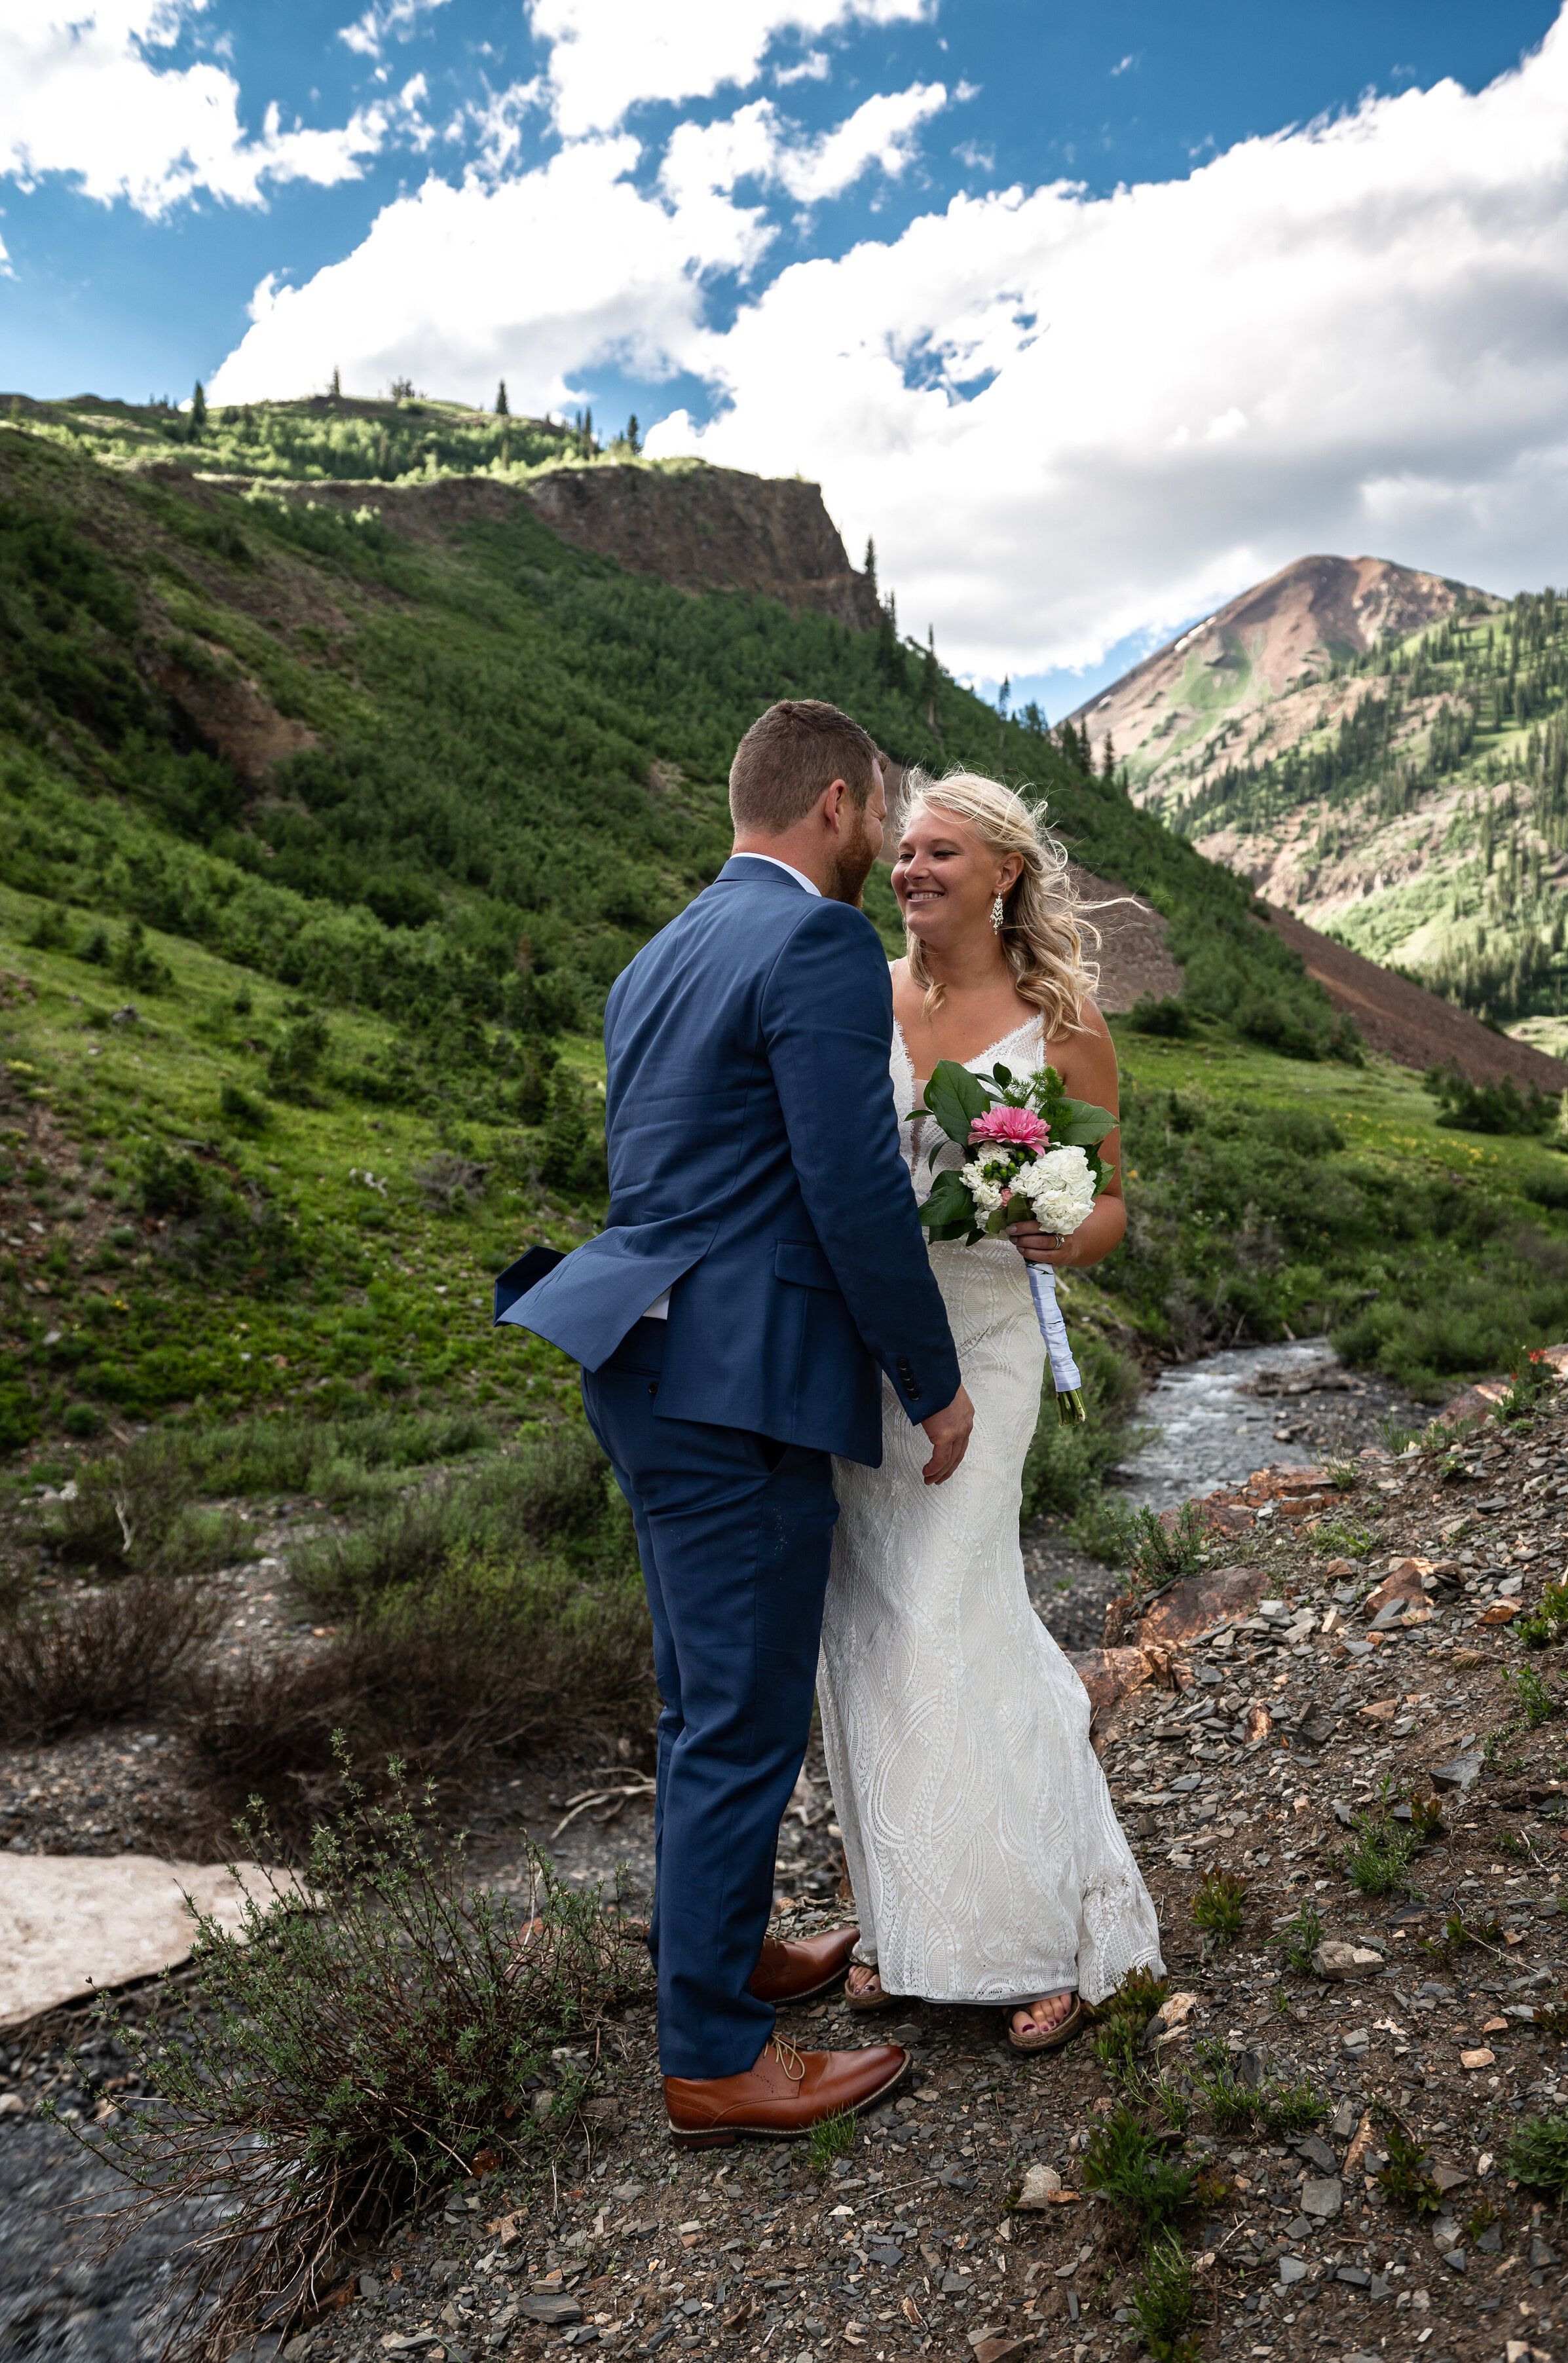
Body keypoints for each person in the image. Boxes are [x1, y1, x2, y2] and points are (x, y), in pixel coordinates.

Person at [500, 700, 975, 2146]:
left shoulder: (657, 956)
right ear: (838, 800)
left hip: (636, 1357)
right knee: (742, 1716)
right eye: (883, 811)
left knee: (697, 1697)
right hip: (734, 1377)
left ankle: (723, 1953)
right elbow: (851, 1188)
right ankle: (712, 2055)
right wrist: (932, 1379)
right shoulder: (817, 942)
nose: (888, 842)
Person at [817, 770, 1165, 2051]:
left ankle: (1038, 1930)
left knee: (960, 1609)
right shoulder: (862, 994)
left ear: (1004, 871)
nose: (908, 871)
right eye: (902, 850)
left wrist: (1049, 1224)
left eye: (939, 853)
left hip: (987, 1338)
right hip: (864, 1351)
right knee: (869, 1626)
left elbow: (1110, 1205)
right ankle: (909, 1928)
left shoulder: (1062, 1020)